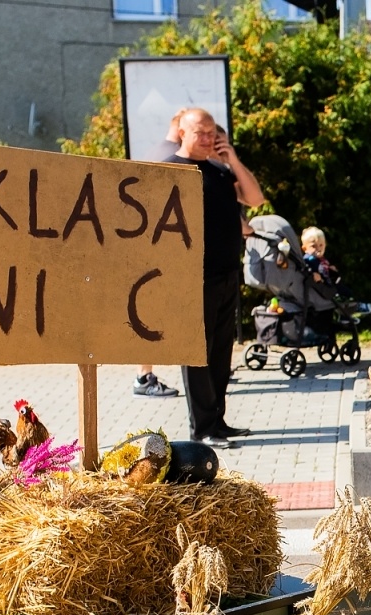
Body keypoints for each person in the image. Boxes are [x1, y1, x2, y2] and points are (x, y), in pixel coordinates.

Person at [173, 108, 264, 448]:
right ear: (183, 133)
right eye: (201, 132)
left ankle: (218, 421)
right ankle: (202, 428)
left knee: (221, 352)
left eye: (213, 132)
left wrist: (233, 160)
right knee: (197, 354)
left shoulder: (222, 172)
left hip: (226, 274)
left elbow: (255, 199)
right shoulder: (171, 170)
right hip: (192, 278)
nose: (209, 138)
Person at [129, 109, 192, 398]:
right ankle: (144, 376)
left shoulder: (156, 151)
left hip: (149, 244)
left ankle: (144, 375)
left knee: (148, 310)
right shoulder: (173, 158)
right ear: (182, 131)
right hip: (159, 246)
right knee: (150, 313)